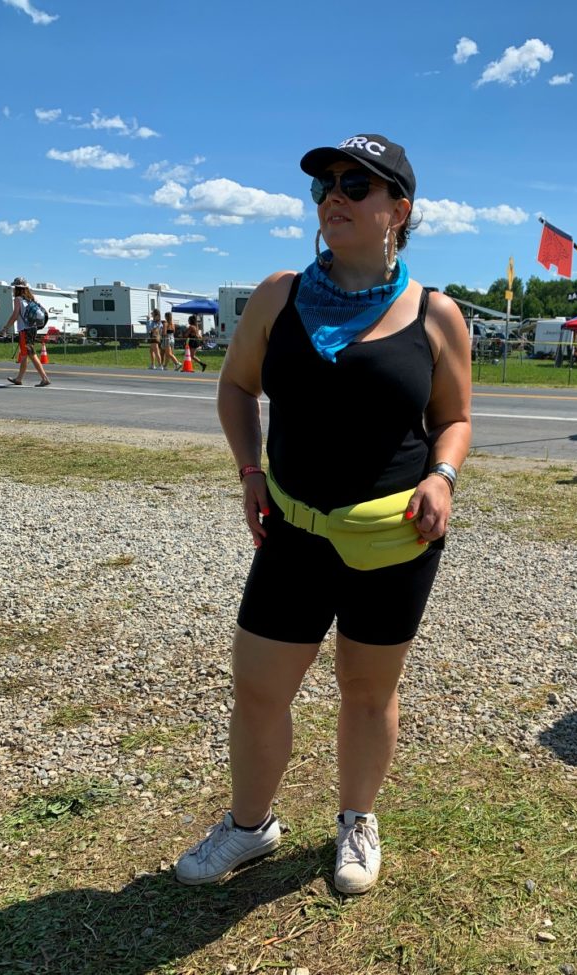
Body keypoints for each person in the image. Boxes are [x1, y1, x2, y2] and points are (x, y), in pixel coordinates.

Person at [174, 133, 471, 895]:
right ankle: (250, 825)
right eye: (324, 185)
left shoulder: (438, 315)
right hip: (292, 532)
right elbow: (237, 388)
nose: (333, 195)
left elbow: (456, 418)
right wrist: (249, 469)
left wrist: (442, 474)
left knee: (368, 689)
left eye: (355, 184)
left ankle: (355, 820)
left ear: (399, 211)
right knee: (261, 688)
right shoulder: (279, 294)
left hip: (394, 539)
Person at [1, 277, 50, 387]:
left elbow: (15, 315)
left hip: (24, 330)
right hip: (33, 329)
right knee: (24, 355)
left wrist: (6, 327)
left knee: (31, 354)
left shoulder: (18, 299)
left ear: (17, 288)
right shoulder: (31, 299)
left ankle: (44, 378)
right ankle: (19, 379)